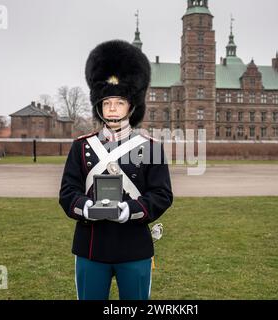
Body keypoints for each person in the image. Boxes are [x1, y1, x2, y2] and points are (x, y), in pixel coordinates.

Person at [59, 40, 173, 300]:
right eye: (107, 102)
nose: (112, 108)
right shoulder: (81, 146)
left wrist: (129, 210)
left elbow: (162, 195)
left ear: (131, 107)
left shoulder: (151, 147)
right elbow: (67, 192)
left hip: (134, 247)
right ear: (99, 106)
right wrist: (85, 207)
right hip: (91, 247)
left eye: (119, 102)